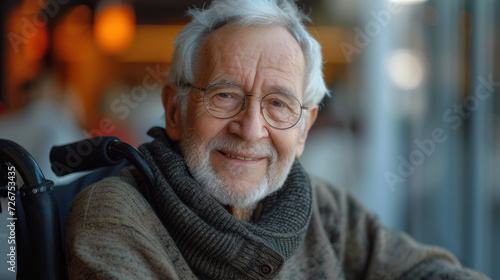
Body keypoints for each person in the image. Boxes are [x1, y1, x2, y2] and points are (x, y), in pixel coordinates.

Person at [65, 0, 490, 279]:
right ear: (175, 111)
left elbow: (429, 271)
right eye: (225, 95)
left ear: (304, 130)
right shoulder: (115, 216)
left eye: (279, 105)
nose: (250, 129)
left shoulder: (324, 207)